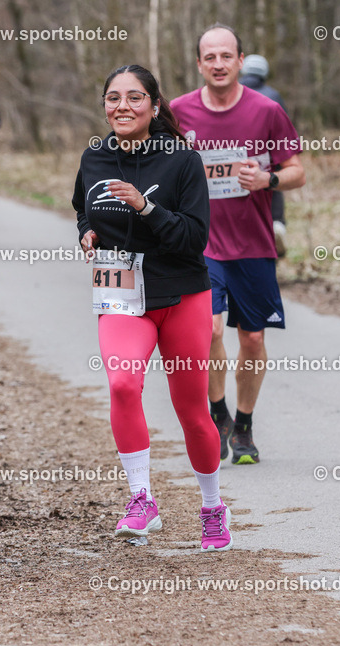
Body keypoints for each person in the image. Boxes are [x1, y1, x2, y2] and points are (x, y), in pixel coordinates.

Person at [73, 64, 231, 552]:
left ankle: (212, 507)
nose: (122, 106)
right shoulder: (94, 157)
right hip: (120, 294)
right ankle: (141, 498)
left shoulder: (181, 161)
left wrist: (146, 208)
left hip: (181, 293)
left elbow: (194, 238)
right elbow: (83, 204)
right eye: (113, 97)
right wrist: (86, 231)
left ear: (155, 105)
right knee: (122, 383)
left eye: (135, 97)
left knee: (192, 411)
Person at [171, 24, 305, 465]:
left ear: (240, 61)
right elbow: (158, 167)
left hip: (252, 244)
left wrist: (267, 179)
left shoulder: (266, 111)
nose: (218, 64)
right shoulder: (177, 113)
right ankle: (217, 411)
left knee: (251, 338)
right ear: (199, 64)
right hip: (200, 245)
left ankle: (243, 425)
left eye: (226, 56)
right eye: (209, 57)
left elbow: (297, 171)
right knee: (208, 329)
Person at [239, 54, 288, 258]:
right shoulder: (274, 96)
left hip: (235, 158)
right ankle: (276, 226)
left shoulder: (233, 94)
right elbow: (285, 130)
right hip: (267, 157)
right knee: (273, 187)